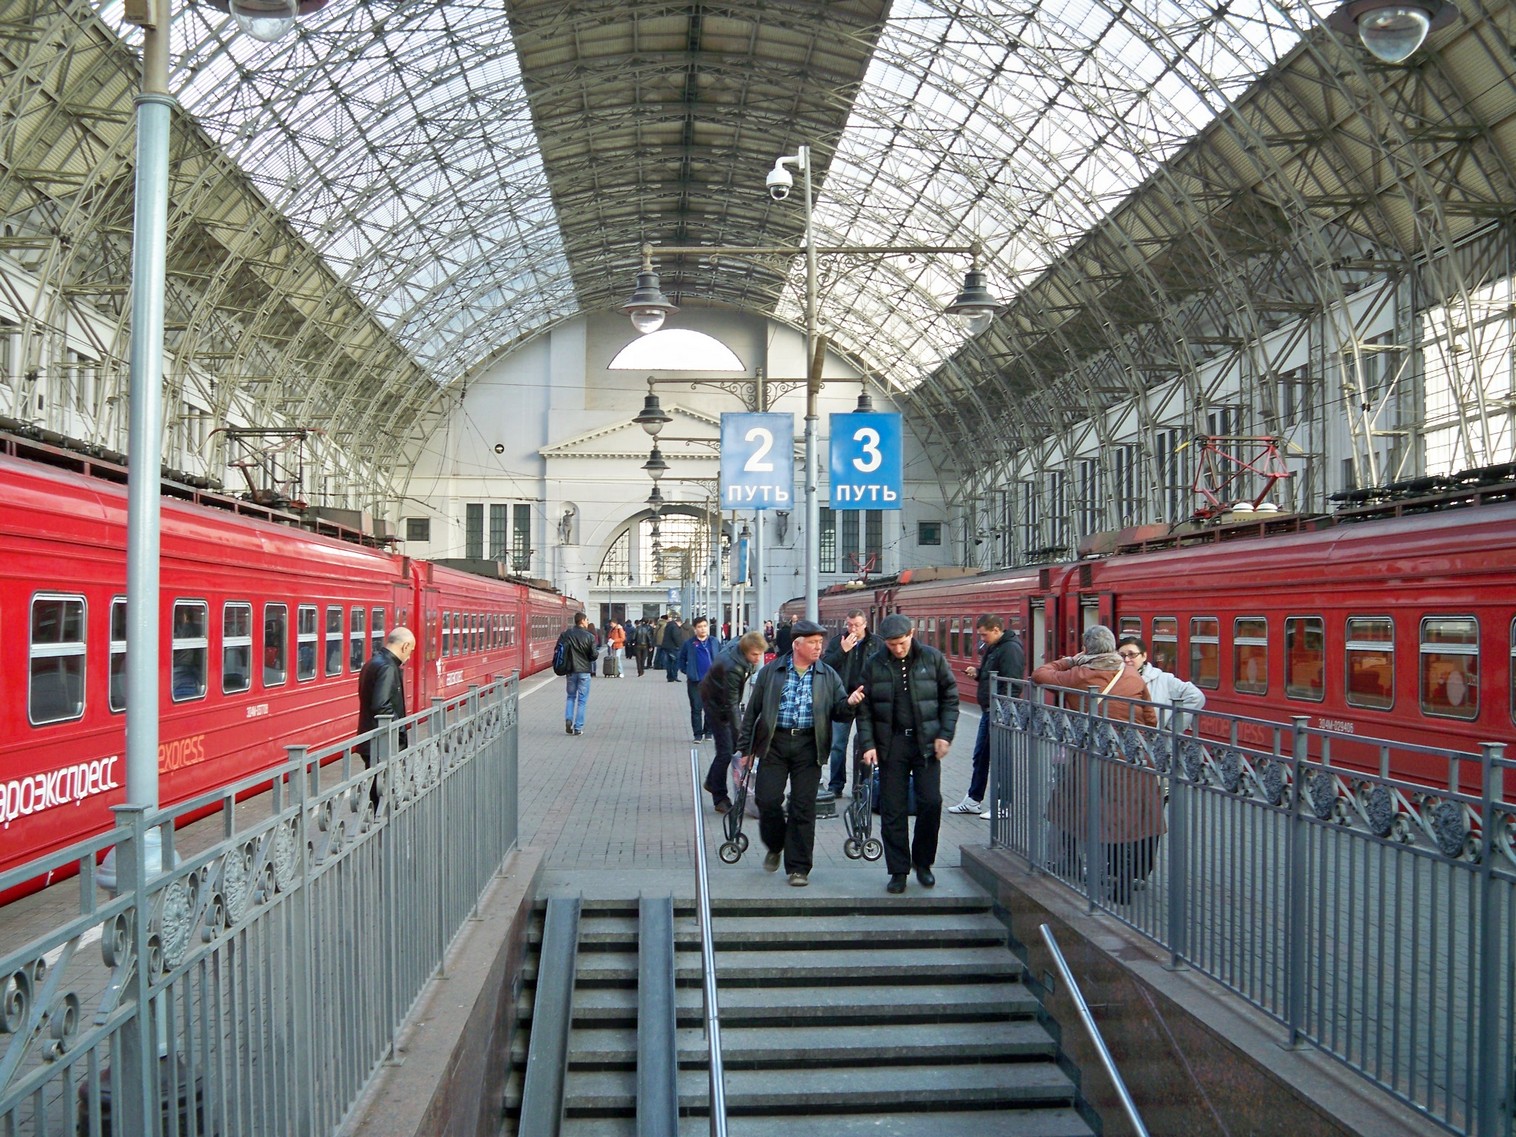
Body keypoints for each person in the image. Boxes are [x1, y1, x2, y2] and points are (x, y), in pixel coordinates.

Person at [1033, 625, 1160, 903]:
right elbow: (1151, 718)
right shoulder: (1131, 674)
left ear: (1086, 649)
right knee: (1128, 821)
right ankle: (1124, 880)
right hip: (1133, 757)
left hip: (1094, 759)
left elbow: (1039, 674)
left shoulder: (1080, 674)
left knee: (1096, 817)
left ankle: (1084, 870)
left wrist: (1071, 659)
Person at [736, 619, 863, 887]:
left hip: (809, 745)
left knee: (803, 807)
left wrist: (850, 704)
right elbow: (753, 712)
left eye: (820, 643)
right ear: (797, 644)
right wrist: (745, 749)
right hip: (774, 743)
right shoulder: (771, 672)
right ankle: (776, 844)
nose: (819, 647)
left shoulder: (827, 674)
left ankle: (798, 868)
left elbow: (839, 711)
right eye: (813, 643)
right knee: (767, 799)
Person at [856, 614, 958, 894]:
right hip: (892, 744)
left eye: (901, 643)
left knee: (931, 802)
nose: (898, 649)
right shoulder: (874, 664)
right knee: (893, 808)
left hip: (926, 743)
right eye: (891, 645)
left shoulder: (932, 658)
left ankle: (923, 862)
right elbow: (864, 709)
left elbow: (950, 697)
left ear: (911, 634)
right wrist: (868, 744)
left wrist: (945, 735)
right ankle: (898, 870)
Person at [949, 614, 1025, 816]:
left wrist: (1002, 709)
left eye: (984, 634)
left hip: (1000, 711)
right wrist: (978, 673)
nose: (982, 639)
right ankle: (973, 799)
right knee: (981, 756)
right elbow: (993, 674)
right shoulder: (996, 647)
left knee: (1001, 758)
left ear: (996, 630)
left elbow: (1012, 683)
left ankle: (1004, 804)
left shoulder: (1010, 649)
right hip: (989, 710)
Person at [700, 630, 768, 811]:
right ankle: (719, 796)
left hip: (719, 698)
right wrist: (741, 739)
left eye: (760, 654)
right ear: (745, 651)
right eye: (754, 654)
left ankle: (712, 781)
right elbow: (731, 705)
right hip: (716, 705)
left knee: (728, 749)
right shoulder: (733, 668)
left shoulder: (740, 649)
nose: (758, 658)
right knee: (725, 751)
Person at [355, 627, 417, 810]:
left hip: (371, 738)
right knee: (383, 794)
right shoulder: (388, 667)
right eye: (411, 650)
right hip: (383, 742)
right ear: (405, 646)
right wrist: (400, 729)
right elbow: (381, 704)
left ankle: (377, 818)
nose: (409, 656)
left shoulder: (372, 663)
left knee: (377, 791)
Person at [821, 609, 879, 797]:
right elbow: (825, 666)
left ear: (865, 625)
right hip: (843, 699)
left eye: (857, 625)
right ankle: (836, 785)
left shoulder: (876, 643)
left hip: (866, 700)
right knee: (838, 744)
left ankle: (861, 787)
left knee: (865, 743)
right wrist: (842, 651)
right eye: (849, 625)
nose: (853, 629)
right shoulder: (838, 642)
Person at [1118, 636, 1205, 732]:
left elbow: (1196, 696)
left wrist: (1173, 727)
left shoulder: (1164, 679)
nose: (1126, 659)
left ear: (1144, 656)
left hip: (1155, 739)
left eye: (1132, 654)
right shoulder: (1114, 679)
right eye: (1122, 655)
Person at [554, 612, 599, 736]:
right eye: (587, 620)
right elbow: (594, 655)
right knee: (582, 700)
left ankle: (568, 719)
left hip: (570, 671)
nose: (588, 622)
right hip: (584, 672)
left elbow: (558, 650)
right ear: (582, 621)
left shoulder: (566, 634)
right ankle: (578, 728)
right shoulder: (589, 636)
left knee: (570, 697)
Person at [677, 616, 720, 741]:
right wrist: (687, 671)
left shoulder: (714, 642)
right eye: (700, 627)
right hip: (695, 681)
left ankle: (708, 731)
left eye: (705, 626)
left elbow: (722, 656)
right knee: (696, 708)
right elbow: (681, 659)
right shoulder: (689, 643)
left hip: (712, 681)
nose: (703, 629)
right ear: (695, 629)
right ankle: (697, 734)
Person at [661, 614, 687, 682]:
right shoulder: (675, 627)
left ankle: (669, 677)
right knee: (675, 662)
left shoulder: (668, 625)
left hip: (667, 646)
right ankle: (674, 676)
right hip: (673, 647)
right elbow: (676, 637)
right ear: (679, 622)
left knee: (669, 662)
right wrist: (680, 645)